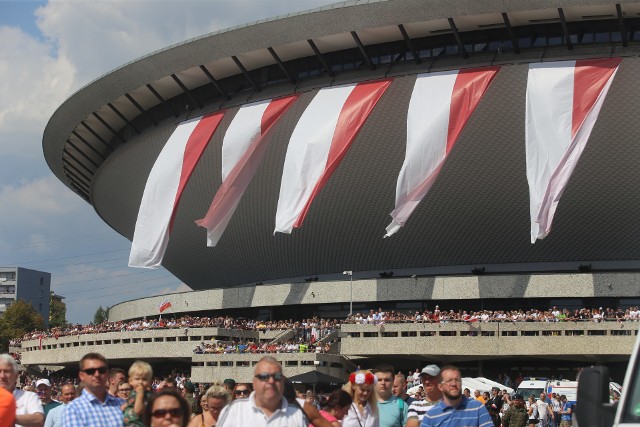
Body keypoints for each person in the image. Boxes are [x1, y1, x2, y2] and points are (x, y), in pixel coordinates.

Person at [216, 356, 306, 426]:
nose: (271, 381)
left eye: (277, 376)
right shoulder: (234, 410)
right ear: (254, 383)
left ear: (283, 382)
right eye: (264, 377)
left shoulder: (296, 414)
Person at [62, 352, 124, 426]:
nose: (97, 374)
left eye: (101, 370)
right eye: (90, 371)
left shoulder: (121, 404)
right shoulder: (73, 409)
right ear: (81, 376)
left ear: (107, 373)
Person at [419, 365, 493, 427]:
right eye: (449, 380)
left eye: (457, 380)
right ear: (440, 387)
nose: (454, 384)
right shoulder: (431, 416)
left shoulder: (477, 408)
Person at [0, 353, 44, 427]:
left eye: (7, 371)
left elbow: (39, 420)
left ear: (16, 376)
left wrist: (6, 417)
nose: (2, 376)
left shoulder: (29, 397)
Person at [122, 360, 153, 426]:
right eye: (137, 379)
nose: (140, 382)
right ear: (130, 381)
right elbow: (131, 403)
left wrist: (140, 394)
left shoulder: (148, 395)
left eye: (144, 379)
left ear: (150, 382)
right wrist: (125, 406)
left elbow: (138, 410)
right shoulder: (133, 392)